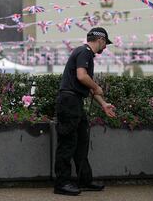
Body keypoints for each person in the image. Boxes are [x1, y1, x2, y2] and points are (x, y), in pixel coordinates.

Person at [54, 27, 116, 196]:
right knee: (67, 143)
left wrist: (103, 104)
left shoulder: (85, 54)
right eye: (105, 44)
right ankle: (61, 183)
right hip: (69, 102)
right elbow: (82, 77)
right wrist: (97, 86)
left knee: (81, 142)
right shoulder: (85, 51)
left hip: (75, 102)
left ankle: (85, 180)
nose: (105, 48)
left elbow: (85, 86)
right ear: (100, 40)